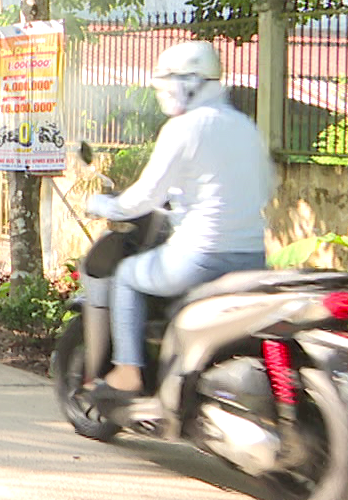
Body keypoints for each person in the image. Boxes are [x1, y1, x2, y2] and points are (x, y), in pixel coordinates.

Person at [80, 41, 271, 402]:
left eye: (166, 85)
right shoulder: (245, 125)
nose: (163, 95)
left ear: (187, 83)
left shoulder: (184, 128)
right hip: (251, 256)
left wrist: (106, 205)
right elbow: (264, 187)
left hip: (199, 257)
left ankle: (127, 371)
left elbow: (145, 196)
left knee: (126, 276)